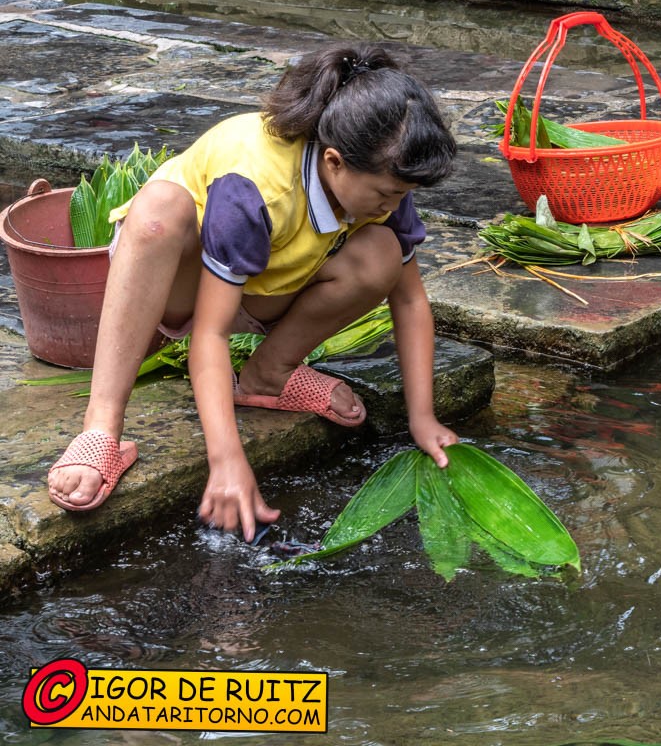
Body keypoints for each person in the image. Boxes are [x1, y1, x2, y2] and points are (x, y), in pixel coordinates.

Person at [46, 44, 460, 543]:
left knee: (382, 254)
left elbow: (410, 300)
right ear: (333, 161)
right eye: (386, 194)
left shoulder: (380, 184)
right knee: (159, 210)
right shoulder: (255, 185)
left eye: (401, 195)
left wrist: (423, 418)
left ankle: (267, 375)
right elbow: (211, 335)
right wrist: (227, 463)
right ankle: (101, 427)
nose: (394, 205)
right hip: (172, 282)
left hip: (260, 287)